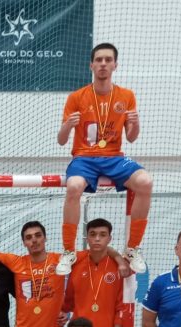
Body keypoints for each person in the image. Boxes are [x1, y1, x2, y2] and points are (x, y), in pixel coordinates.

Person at [57, 42, 151, 276]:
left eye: (108, 60)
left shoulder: (126, 96)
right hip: (84, 157)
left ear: (115, 65)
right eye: (99, 60)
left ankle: (132, 248)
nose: (103, 64)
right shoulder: (76, 97)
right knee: (74, 186)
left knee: (146, 182)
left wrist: (136, 124)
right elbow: (60, 140)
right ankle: (68, 251)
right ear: (91, 65)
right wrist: (67, 126)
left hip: (113, 157)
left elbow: (131, 138)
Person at [61, 219, 127, 327]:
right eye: (93, 234)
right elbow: (68, 300)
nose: (97, 239)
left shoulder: (119, 266)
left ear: (109, 238)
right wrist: (62, 312)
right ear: (87, 237)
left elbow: (121, 308)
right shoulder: (75, 261)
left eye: (103, 235)